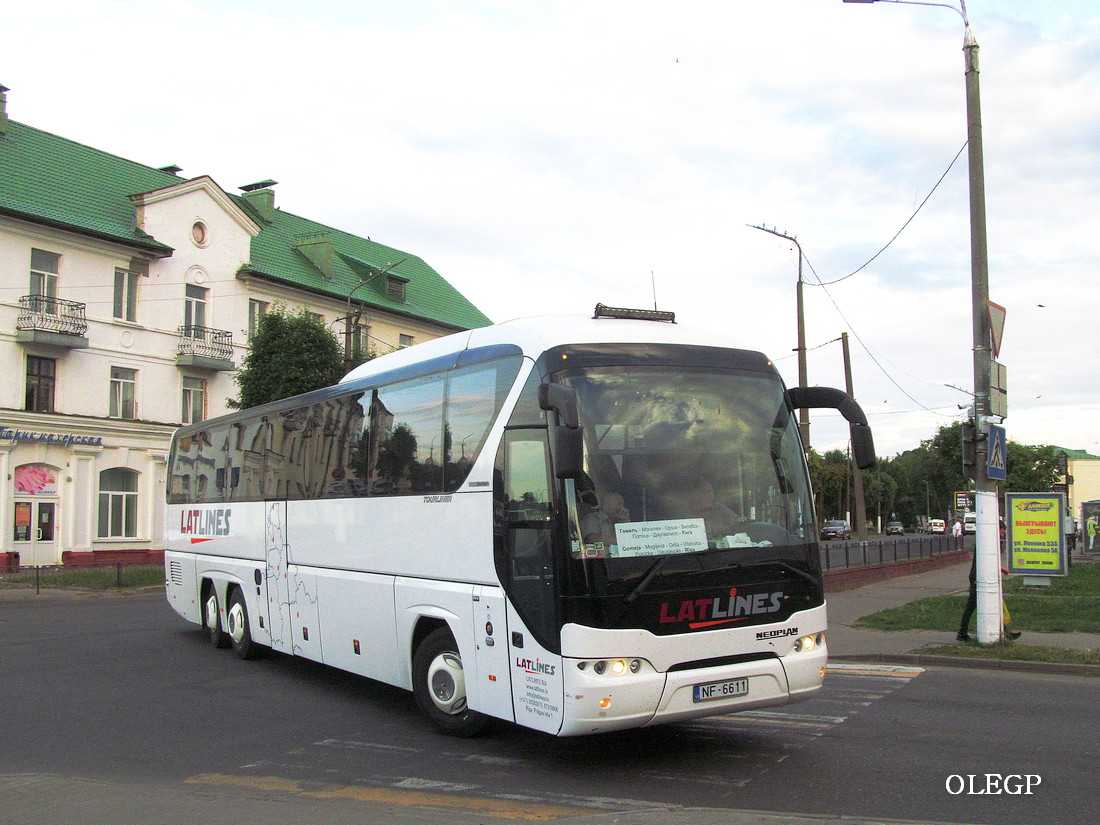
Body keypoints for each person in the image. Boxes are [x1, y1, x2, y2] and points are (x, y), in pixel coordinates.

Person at [957, 549, 1020, 641]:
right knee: (972, 606)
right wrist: (1001, 568)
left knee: (992, 605)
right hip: (979, 577)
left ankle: (1005, 632)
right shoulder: (984, 541)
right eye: (1001, 533)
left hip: (981, 576)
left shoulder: (993, 540)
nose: (1002, 533)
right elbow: (986, 559)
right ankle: (962, 633)